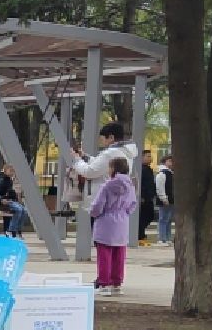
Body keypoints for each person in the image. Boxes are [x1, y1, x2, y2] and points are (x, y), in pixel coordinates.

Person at [63, 121, 136, 217]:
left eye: (103, 139)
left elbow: (89, 172)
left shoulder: (110, 153)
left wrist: (76, 160)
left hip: (103, 204)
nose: (102, 143)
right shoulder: (125, 152)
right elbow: (101, 166)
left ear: (111, 137)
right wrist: (85, 157)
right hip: (116, 204)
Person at [89, 156, 137, 295]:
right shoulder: (130, 186)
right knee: (119, 254)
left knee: (104, 254)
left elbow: (98, 205)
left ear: (114, 169)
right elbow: (133, 204)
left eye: (110, 167)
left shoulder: (107, 186)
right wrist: (124, 213)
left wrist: (94, 213)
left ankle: (104, 284)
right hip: (122, 221)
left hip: (106, 221)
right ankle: (116, 284)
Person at [0, 163, 26, 238]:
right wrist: (1, 199)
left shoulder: (9, 180)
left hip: (9, 200)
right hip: (1, 202)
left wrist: (16, 198)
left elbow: (10, 191)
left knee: (24, 210)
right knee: (19, 209)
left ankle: (18, 229)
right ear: (5, 171)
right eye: (11, 171)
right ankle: (11, 230)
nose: (12, 173)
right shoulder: (0, 180)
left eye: (13, 171)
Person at [137, 149, 159, 246]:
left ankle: (141, 234)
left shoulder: (149, 169)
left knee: (150, 215)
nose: (150, 158)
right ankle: (140, 236)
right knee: (142, 217)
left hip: (149, 198)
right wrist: (141, 196)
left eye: (151, 156)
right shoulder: (141, 169)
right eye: (148, 156)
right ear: (141, 157)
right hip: (143, 198)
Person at [155, 153, 175, 245]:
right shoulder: (162, 173)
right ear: (164, 162)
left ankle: (168, 237)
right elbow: (160, 187)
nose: (172, 163)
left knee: (169, 219)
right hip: (165, 199)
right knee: (163, 219)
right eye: (169, 161)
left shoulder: (171, 173)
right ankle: (162, 238)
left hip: (171, 199)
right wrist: (163, 198)